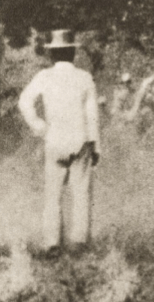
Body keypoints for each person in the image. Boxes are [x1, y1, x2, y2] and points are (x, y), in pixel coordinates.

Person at [18, 29, 100, 254]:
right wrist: (96, 145)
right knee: (81, 193)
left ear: (52, 55)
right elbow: (92, 114)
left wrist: (39, 125)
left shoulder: (44, 77)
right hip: (80, 141)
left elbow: (24, 102)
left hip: (54, 140)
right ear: (73, 52)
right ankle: (79, 241)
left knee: (52, 194)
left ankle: (52, 242)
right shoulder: (84, 77)